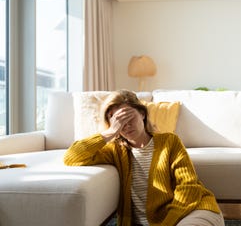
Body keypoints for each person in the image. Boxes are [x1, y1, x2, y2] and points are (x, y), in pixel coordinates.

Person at [63, 89, 225, 226]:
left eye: (129, 116)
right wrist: (110, 132)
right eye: (118, 120)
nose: (125, 125)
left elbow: (189, 187)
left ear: (142, 113)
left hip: (191, 210)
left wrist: (167, 224)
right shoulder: (114, 150)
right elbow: (72, 157)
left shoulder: (169, 141)